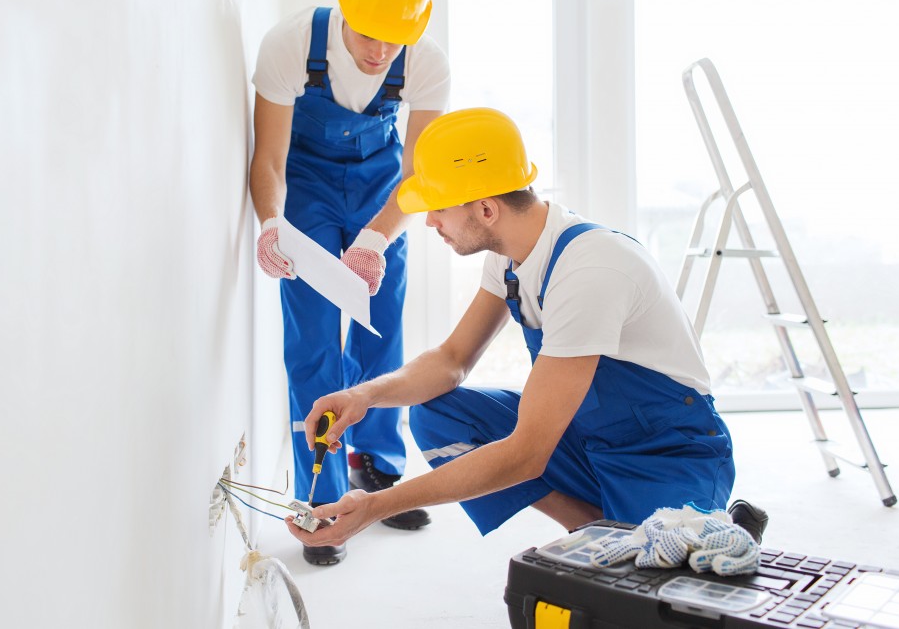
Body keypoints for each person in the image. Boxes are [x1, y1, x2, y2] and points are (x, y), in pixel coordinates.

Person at [286, 107, 744, 550]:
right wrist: (363, 396)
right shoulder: (510, 258)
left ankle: (670, 525)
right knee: (437, 413)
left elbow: (527, 454)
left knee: (655, 577)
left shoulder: (591, 270)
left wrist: (375, 507)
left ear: (485, 209)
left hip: (664, 450)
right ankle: (595, 527)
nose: (429, 222)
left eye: (438, 208)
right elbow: (449, 362)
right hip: (587, 437)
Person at [249, 0, 450, 565]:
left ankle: (378, 469)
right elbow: (269, 161)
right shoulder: (289, 46)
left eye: (396, 39)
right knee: (312, 342)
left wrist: (374, 239)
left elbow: (418, 176)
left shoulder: (427, 63)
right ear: (343, 2)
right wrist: (272, 225)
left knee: (380, 330)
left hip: (382, 194)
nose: (380, 52)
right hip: (303, 189)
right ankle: (320, 495)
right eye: (369, 34)